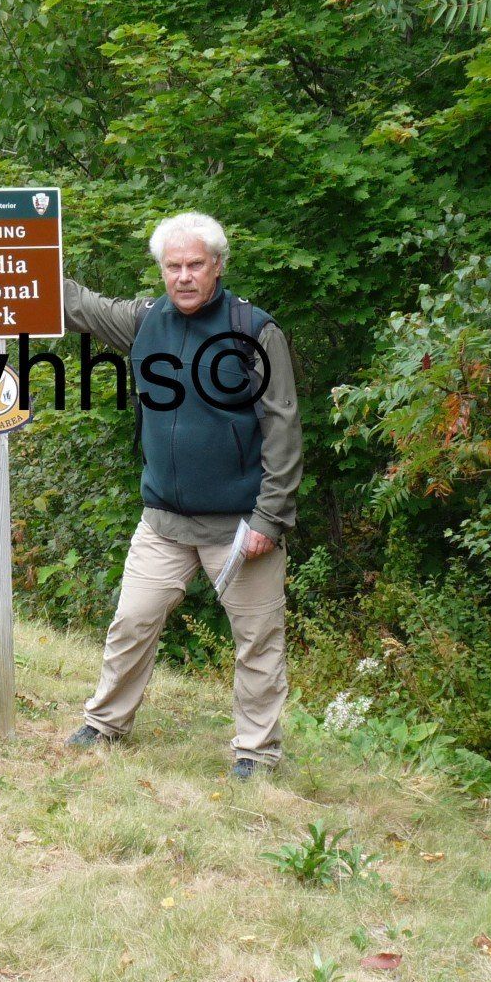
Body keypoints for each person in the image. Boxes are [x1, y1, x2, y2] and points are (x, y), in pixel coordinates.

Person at [61, 212, 302, 779]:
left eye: (196, 264)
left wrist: (270, 517)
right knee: (131, 623)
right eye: (174, 266)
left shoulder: (254, 330)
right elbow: (79, 305)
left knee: (258, 643)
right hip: (164, 521)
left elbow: (283, 427)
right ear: (161, 270)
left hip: (240, 526)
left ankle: (256, 752)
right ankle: (105, 723)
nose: (185, 276)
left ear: (218, 265)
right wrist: (18, 258)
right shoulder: (144, 321)